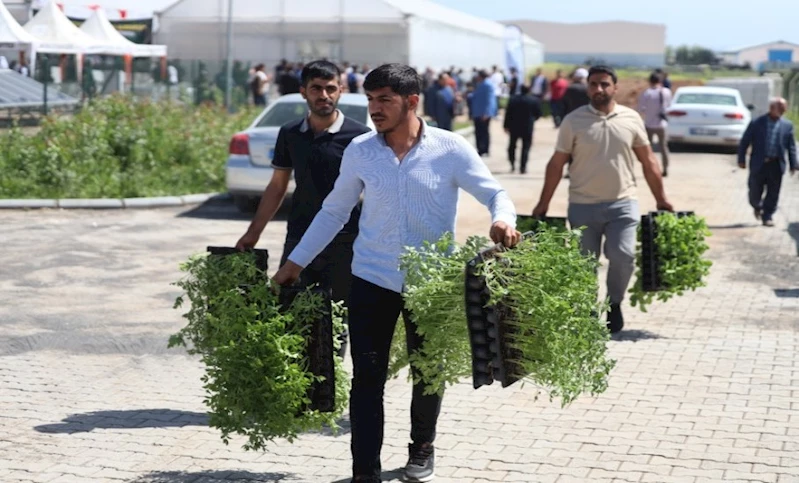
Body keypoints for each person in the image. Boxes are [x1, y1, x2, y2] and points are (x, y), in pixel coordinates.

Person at [273, 63, 520, 483]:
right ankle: (363, 471)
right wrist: (294, 264)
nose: (374, 109)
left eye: (384, 99)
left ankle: (422, 447)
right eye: (370, 99)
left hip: (431, 283)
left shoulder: (449, 148)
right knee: (367, 378)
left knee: (428, 371)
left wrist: (503, 219)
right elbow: (334, 211)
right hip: (371, 277)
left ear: (411, 101)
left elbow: (494, 191)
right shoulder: (362, 151)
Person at [235, 60, 370, 358]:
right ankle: (299, 395)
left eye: (330, 88)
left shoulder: (360, 137)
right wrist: (253, 233)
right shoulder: (290, 133)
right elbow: (277, 186)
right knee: (292, 311)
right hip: (299, 235)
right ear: (303, 93)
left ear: (341, 91)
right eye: (316, 88)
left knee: (337, 318)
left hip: (346, 240)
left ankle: (328, 395)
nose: (324, 95)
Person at [531, 65, 673, 334]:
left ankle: (615, 303)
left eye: (605, 84)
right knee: (585, 262)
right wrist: (543, 203)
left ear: (615, 88)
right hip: (583, 205)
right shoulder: (573, 121)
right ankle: (586, 307)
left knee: (624, 255)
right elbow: (556, 163)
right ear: (588, 87)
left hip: (623, 202)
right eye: (594, 84)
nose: (599, 89)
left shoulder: (631, 119)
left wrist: (661, 198)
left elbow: (648, 160)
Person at [737, 97, 797, 227]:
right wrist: (741, 159)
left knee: (773, 192)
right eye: (780, 108)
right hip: (759, 163)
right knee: (754, 190)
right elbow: (745, 141)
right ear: (771, 108)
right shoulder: (757, 123)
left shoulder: (787, 125)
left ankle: (767, 216)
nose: (782, 111)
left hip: (776, 164)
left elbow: (791, 146)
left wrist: (794, 164)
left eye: (784, 109)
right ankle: (757, 206)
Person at [637, 72, 672, 176]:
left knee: (648, 149)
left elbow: (641, 109)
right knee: (663, 147)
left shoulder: (647, 93)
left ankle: (650, 168)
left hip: (649, 124)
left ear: (650, 81)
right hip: (662, 124)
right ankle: (665, 168)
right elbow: (669, 106)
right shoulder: (666, 92)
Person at [504, 84, 543, 174]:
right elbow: (538, 114)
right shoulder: (534, 100)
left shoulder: (513, 99)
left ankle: (512, 164)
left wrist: (505, 126)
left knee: (512, 146)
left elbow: (508, 114)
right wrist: (532, 120)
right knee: (526, 148)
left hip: (514, 127)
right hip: (527, 127)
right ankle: (523, 167)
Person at [470, 70, 498, 157]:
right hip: (477, 112)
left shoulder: (487, 85)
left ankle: (485, 149)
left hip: (483, 114)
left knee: (484, 132)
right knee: (478, 132)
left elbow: (490, 100)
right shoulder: (480, 84)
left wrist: (487, 113)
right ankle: (480, 149)